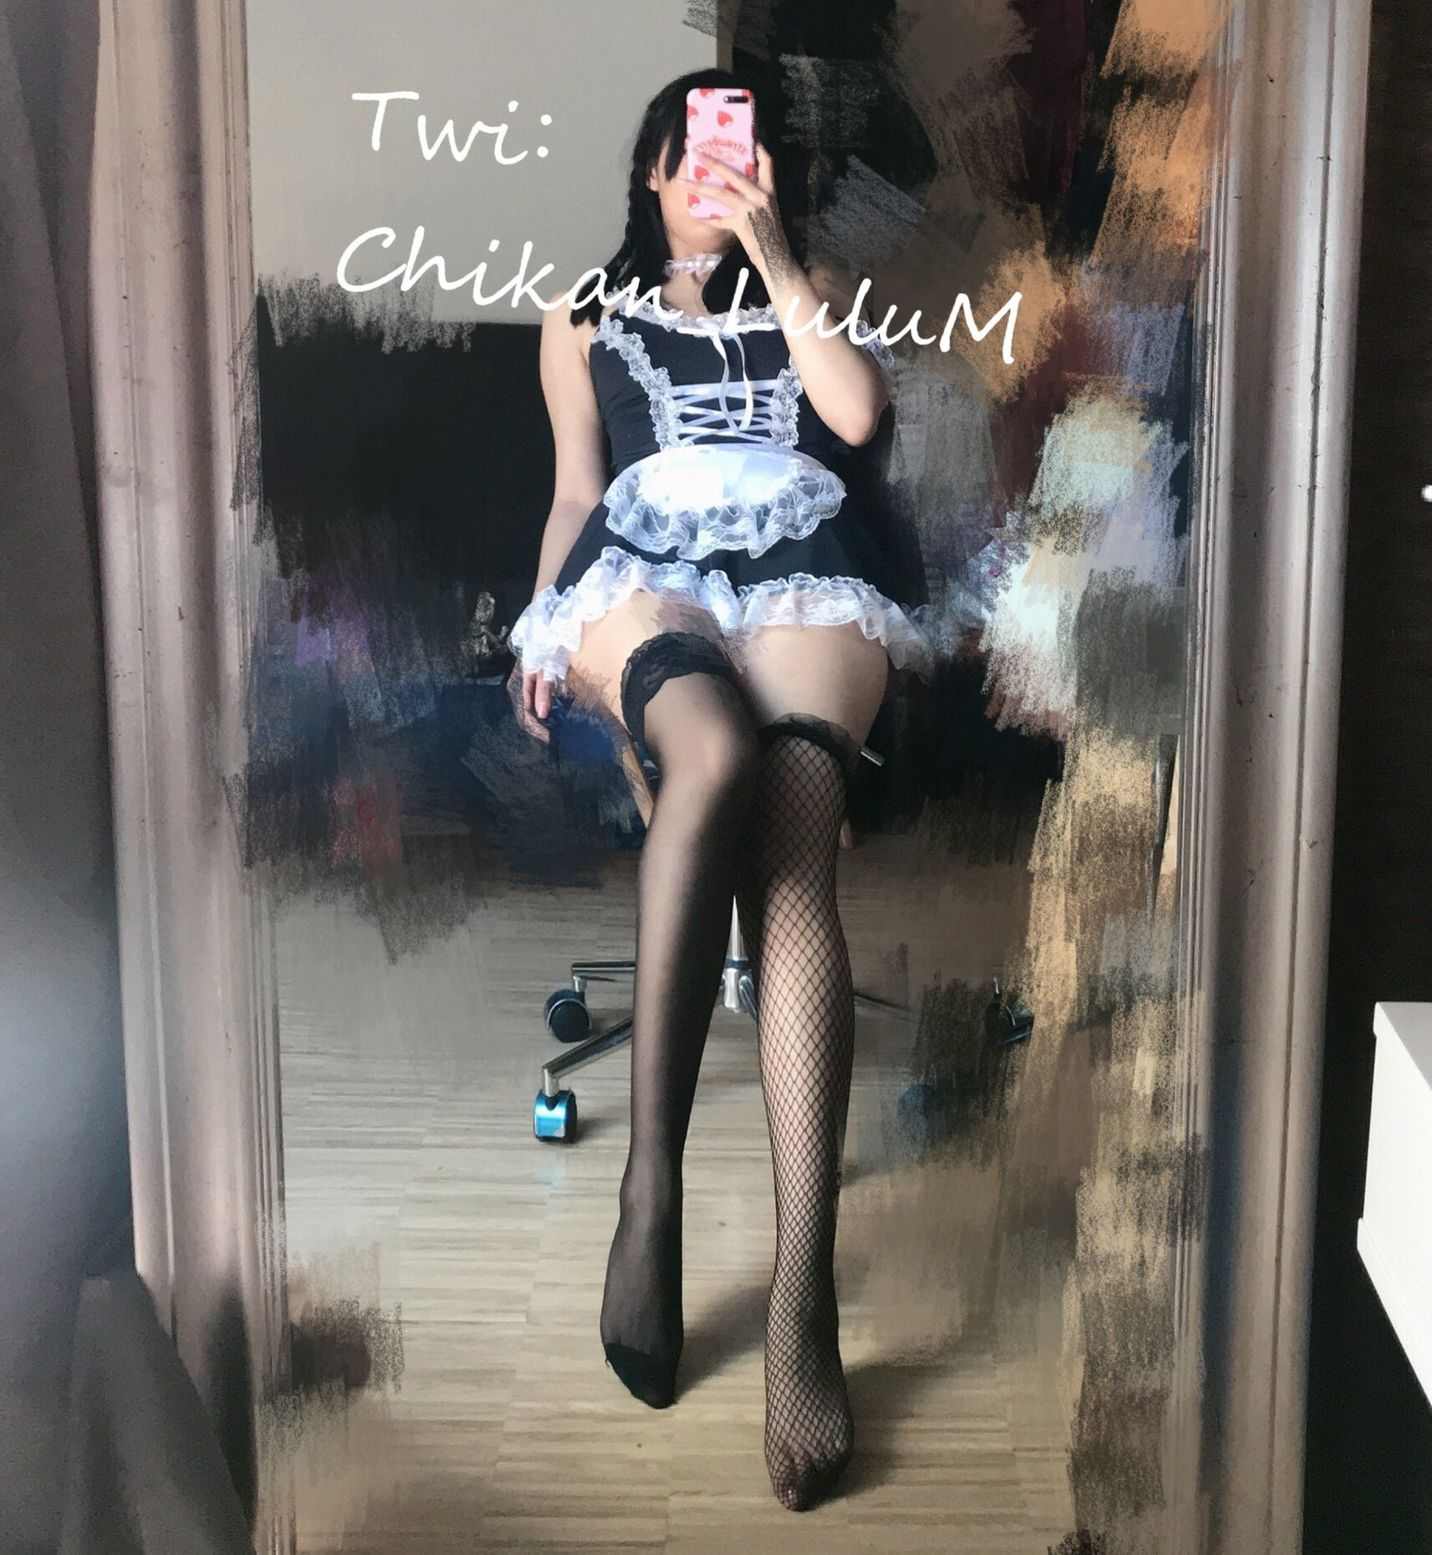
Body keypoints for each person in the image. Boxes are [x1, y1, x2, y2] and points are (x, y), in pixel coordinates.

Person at [508, 67, 932, 1512]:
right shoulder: (583, 315)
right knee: (713, 752)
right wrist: (544, 625)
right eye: (686, 150)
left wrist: (775, 255)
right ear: (647, 170)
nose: (711, 166)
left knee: (795, 838)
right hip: (645, 572)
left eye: (733, 148)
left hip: (806, 566)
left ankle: (803, 1292)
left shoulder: (807, 286)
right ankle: (655, 1190)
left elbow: (855, 418)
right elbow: (577, 493)